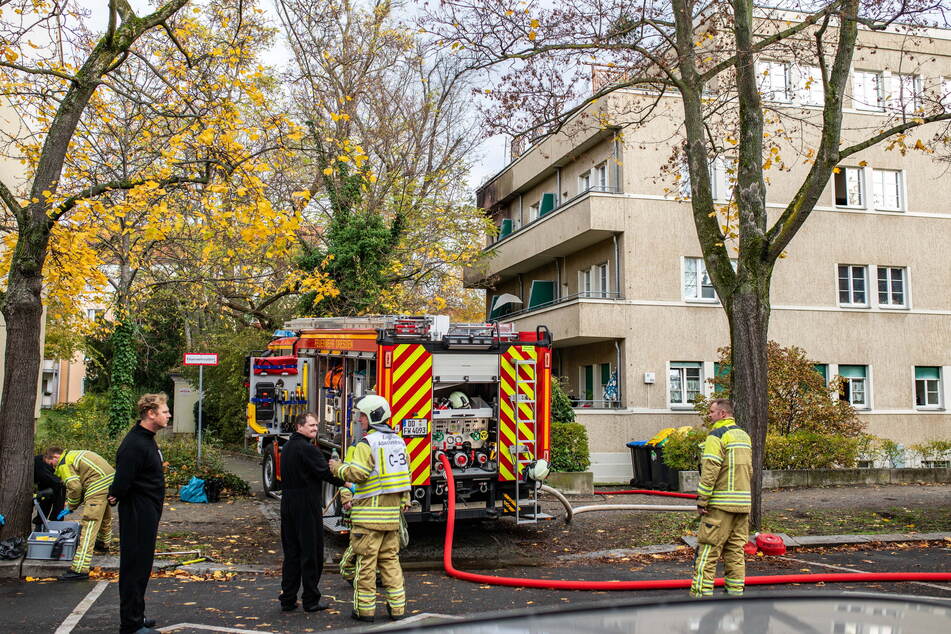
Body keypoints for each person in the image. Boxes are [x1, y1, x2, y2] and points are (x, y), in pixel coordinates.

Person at [329, 395, 411, 623]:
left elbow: (357, 474)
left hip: (368, 518)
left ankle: (365, 611)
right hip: (391, 518)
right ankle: (397, 609)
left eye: (362, 416)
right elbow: (406, 477)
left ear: (373, 416)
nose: (360, 420)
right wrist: (405, 499)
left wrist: (338, 468)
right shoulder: (398, 442)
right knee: (391, 564)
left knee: (366, 567)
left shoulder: (368, 443)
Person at [109, 393, 169, 634]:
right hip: (137, 512)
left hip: (147, 511)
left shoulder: (147, 439)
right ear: (150, 413)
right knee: (134, 566)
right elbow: (123, 478)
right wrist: (116, 492)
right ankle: (130, 624)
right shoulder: (135, 443)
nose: (168, 415)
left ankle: (138, 615)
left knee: (142, 566)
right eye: (164, 411)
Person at [278, 411, 345, 612]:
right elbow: (324, 473)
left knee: (292, 553)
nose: (315, 429)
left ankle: (288, 599)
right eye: (311, 426)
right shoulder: (307, 449)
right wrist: (346, 482)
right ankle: (311, 600)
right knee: (311, 552)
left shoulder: (288, 446)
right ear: (299, 427)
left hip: (288, 502)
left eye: (316, 425)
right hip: (306, 504)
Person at [690, 398, 753, 599]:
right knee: (735, 552)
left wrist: (702, 500)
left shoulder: (716, 435)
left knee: (707, 552)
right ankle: (735, 596)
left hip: (719, 505)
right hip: (742, 505)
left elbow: (710, 469)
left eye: (712, 412)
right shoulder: (744, 436)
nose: (709, 415)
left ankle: (700, 596)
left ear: (722, 414)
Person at [49, 447, 115, 581]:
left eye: (51, 463)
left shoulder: (64, 463)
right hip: (109, 482)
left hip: (97, 486)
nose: (53, 467)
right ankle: (103, 545)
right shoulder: (74, 454)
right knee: (105, 518)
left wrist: (71, 506)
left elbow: (75, 487)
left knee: (89, 526)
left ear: (56, 457)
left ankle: (79, 569)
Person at [34, 447, 66, 530]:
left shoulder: (62, 462)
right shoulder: (38, 462)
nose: (54, 465)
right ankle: (39, 526)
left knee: (58, 509)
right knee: (43, 507)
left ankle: (56, 526)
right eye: (52, 463)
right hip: (45, 485)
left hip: (57, 487)